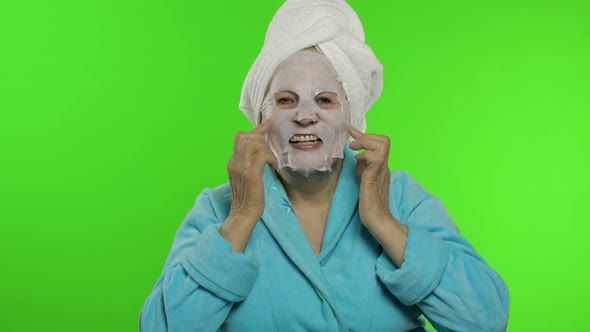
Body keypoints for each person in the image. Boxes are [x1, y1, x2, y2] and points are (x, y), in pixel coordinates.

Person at [139, 0, 509, 331]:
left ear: (353, 114)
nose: (305, 116)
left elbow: (484, 321)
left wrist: (381, 220)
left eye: (325, 100)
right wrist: (244, 214)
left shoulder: (401, 198)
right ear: (261, 118)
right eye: (285, 100)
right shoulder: (219, 209)